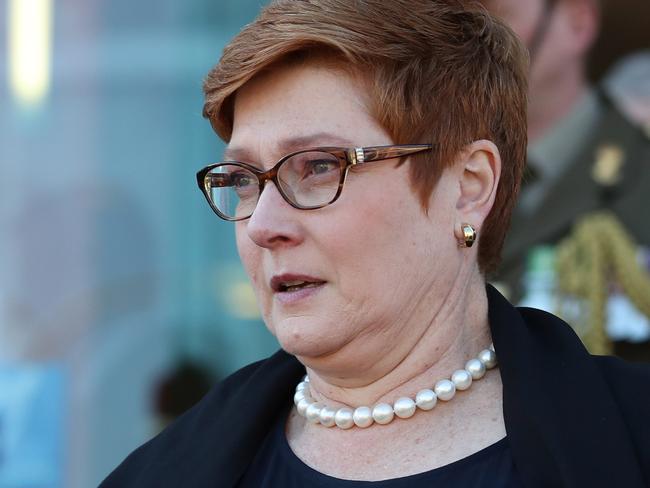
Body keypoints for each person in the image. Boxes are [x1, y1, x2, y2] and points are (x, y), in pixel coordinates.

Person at [100, 1, 650, 486]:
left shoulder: (630, 434)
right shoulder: (159, 472)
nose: (263, 225)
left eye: (317, 167)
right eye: (243, 180)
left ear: (468, 186)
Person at [482, 0, 650, 359]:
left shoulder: (641, 169)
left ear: (577, 23)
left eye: (493, 17)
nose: (465, 38)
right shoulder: (429, 172)